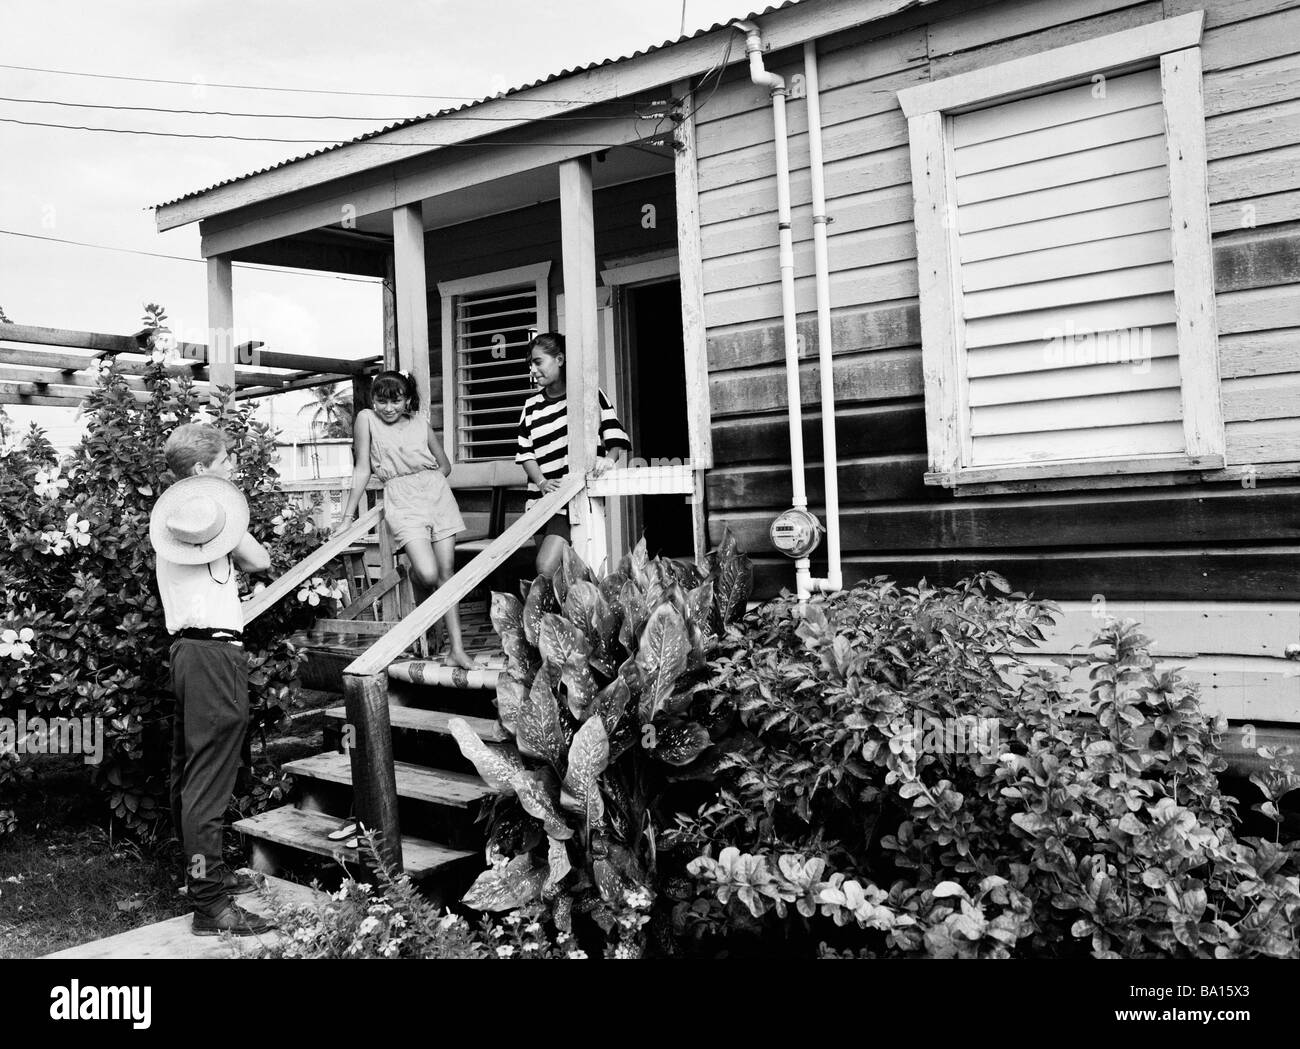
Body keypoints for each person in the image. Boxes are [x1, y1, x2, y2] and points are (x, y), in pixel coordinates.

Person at [150, 422, 275, 937]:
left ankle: (205, 879)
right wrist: (219, 505)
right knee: (207, 782)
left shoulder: (180, 526)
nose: (231, 468)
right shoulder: (201, 521)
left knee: (190, 775)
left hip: (189, 652)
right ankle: (209, 904)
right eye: (224, 461)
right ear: (201, 472)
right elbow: (260, 559)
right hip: (213, 654)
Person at [338, 370, 474, 669]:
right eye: (381, 401)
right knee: (426, 573)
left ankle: (457, 650)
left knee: (446, 573)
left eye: (396, 401)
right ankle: (415, 580)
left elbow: (445, 466)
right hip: (401, 498)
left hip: (436, 496)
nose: (388, 408)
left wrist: (427, 483)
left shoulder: (419, 423)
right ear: (372, 400)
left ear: (407, 399)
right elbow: (362, 468)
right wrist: (347, 517)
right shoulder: (366, 419)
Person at [516, 332, 630, 577]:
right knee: (557, 575)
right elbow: (526, 453)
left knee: (545, 566)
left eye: (538, 362)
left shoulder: (588, 396)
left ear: (559, 359)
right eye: (530, 364)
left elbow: (615, 437)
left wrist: (607, 461)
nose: (533, 370)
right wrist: (542, 482)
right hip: (540, 500)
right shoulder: (531, 406)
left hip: (571, 501)